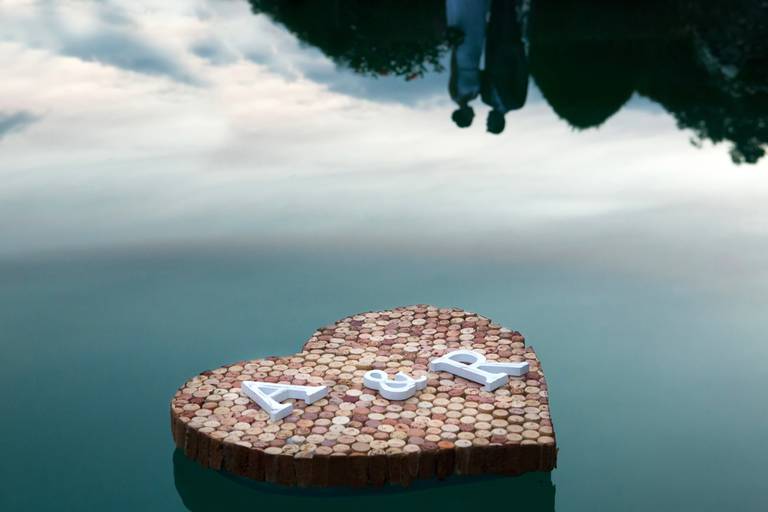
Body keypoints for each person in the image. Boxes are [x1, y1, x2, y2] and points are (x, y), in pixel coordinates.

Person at [481, 0, 529, 134]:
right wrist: (518, 50)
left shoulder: (486, 98)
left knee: (496, 12)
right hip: (510, 47)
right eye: (488, 122)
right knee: (508, 12)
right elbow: (522, 75)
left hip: (493, 46)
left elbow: (483, 74)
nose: (486, 119)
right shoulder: (515, 102)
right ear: (499, 122)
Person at [446, 0, 490, 128]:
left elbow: (453, 70)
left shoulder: (455, 94)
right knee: (476, 28)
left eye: (471, 117)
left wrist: (455, 47)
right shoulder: (475, 95)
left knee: (466, 26)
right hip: (474, 58)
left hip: (462, 58)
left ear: (464, 115)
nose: (474, 115)